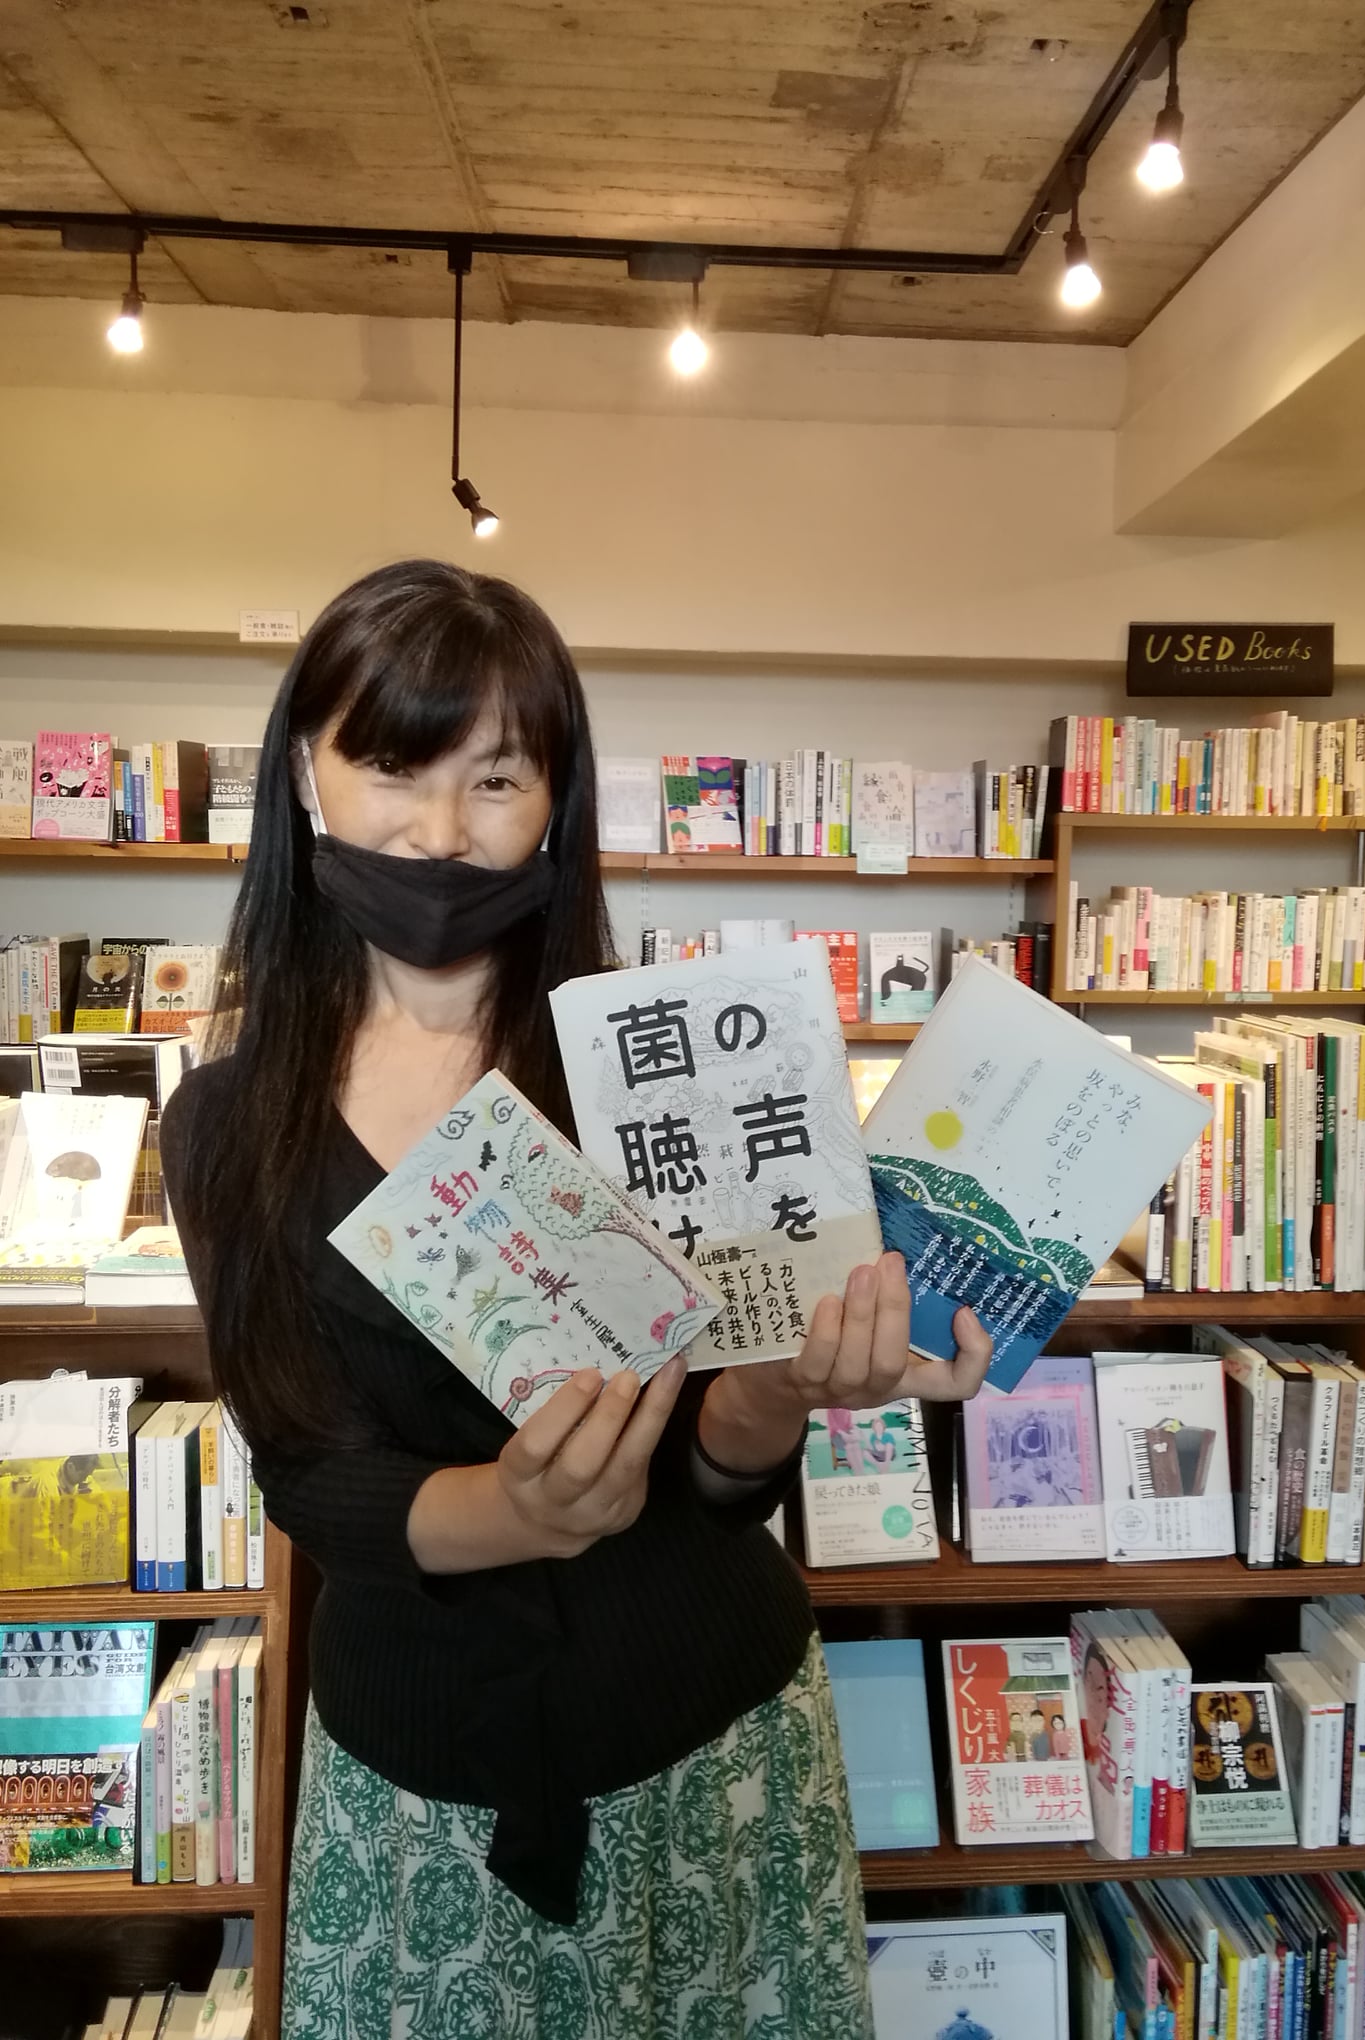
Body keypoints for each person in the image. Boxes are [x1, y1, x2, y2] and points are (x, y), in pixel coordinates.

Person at [160, 560, 992, 2040]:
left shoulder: (653, 1068)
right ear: (302, 773)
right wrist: (516, 1512)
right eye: (392, 768)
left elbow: (723, 1468)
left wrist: (784, 1383)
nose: (439, 833)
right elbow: (308, 1471)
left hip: (715, 1743)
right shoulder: (229, 1122)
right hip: (423, 1783)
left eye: (495, 780)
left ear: (556, 800)